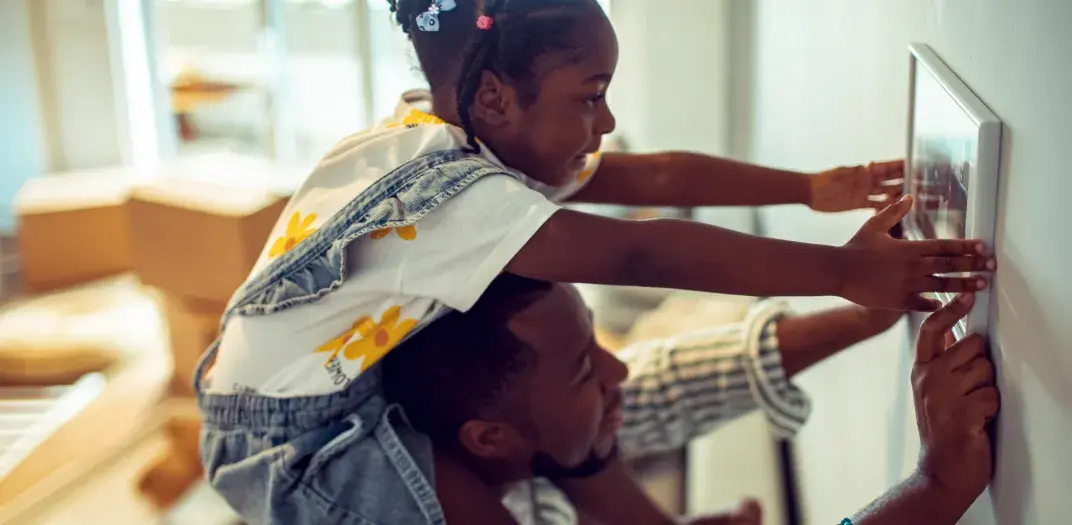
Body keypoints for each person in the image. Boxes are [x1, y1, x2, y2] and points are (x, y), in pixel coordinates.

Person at [195, 1, 995, 523]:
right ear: (498, 98)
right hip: (292, 439)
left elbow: (655, 179)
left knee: (569, 420)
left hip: (308, 384)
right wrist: (841, 271)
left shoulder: (457, 133)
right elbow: (640, 246)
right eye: (590, 94)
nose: (607, 119)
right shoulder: (452, 199)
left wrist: (812, 188)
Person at [382, 276, 998, 525]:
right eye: (580, 369)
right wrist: (937, 484)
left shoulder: (523, 430)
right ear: (488, 438)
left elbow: (664, 384)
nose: (617, 366)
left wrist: (860, 318)